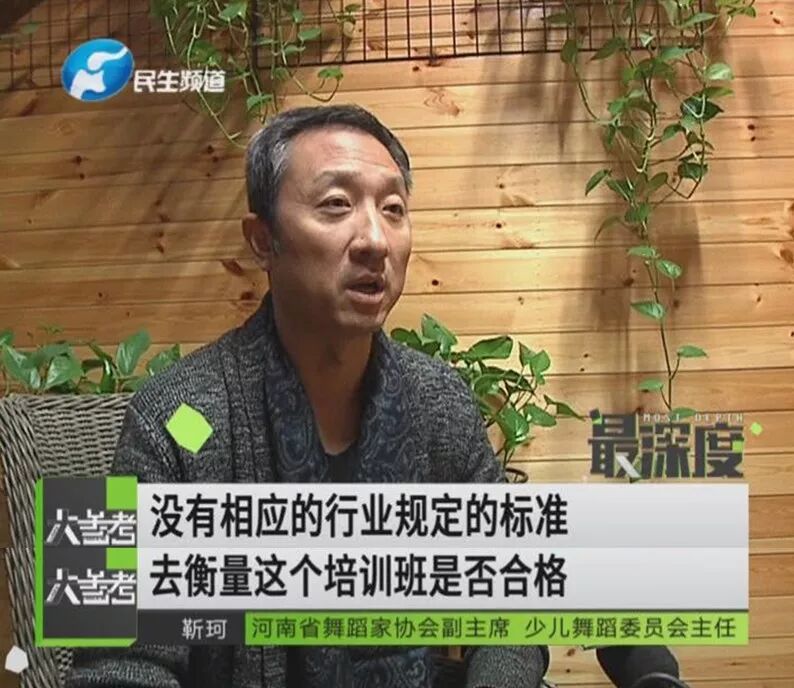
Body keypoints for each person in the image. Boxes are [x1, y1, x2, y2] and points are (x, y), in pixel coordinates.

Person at [65, 104, 550, 688]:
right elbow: (117, 663)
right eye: (336, 205)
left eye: (393, 209)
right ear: (262, 240)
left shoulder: (439, 402)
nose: (375, 239)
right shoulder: (174, 418)